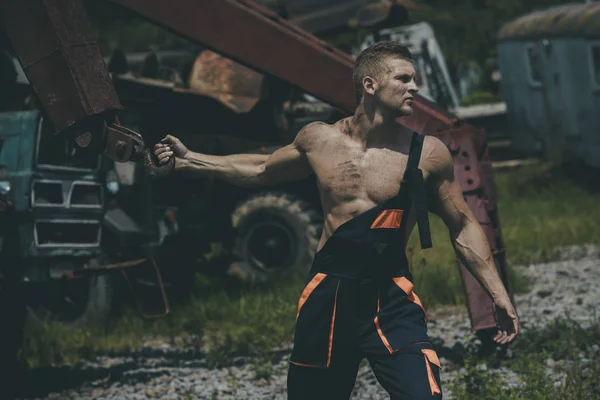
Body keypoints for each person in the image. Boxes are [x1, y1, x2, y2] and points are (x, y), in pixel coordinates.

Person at [154, 42, 519, 399]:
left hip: (391, 298)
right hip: (328, 296)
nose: (415, 88)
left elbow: (463, 225)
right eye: (403, 79)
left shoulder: (427, 153)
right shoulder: (318, 139)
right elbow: (261, 167)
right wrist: (191, 160)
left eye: (414, 79)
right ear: (370, 85)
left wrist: (497, 293)